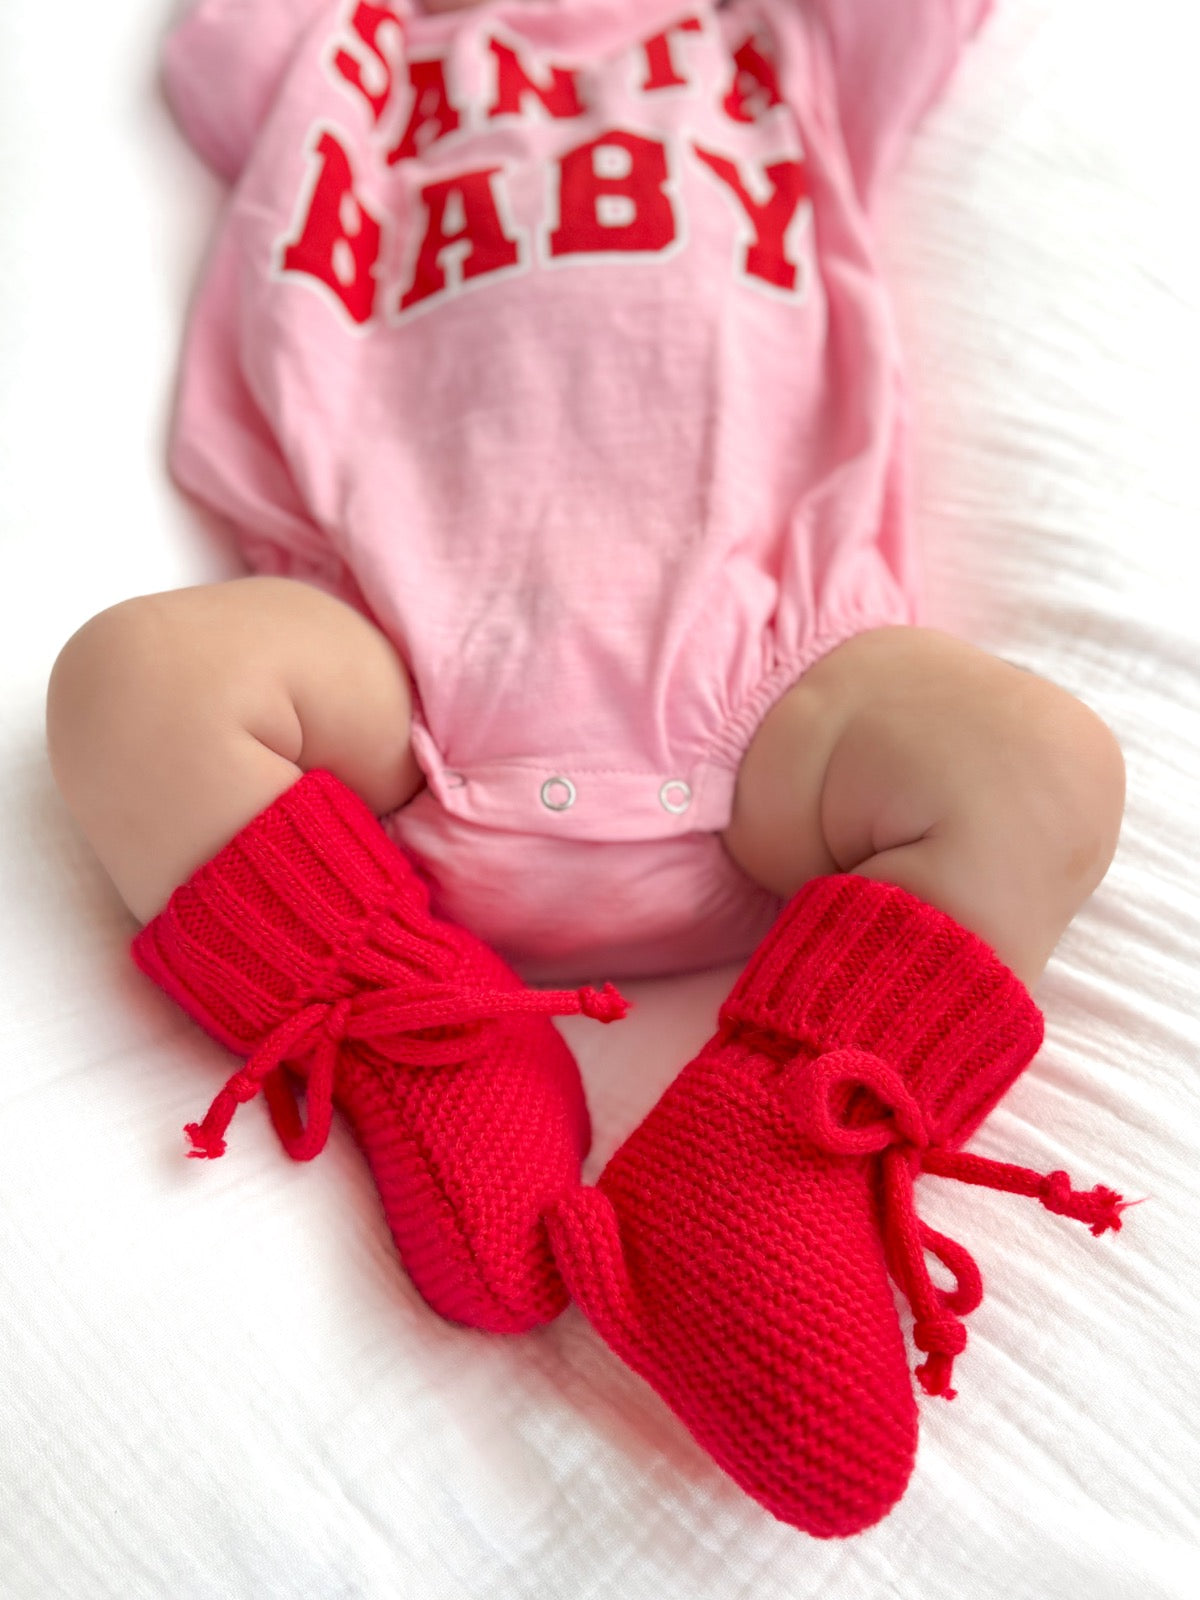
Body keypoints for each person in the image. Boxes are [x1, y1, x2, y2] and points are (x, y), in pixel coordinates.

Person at [43, 0, 1129, 1538]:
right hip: (387, 686)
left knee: (1039, 760)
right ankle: (433, 1042)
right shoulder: (337, 45)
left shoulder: (779, 37)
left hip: (779, 706)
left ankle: (772, 1142)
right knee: (128, 683)